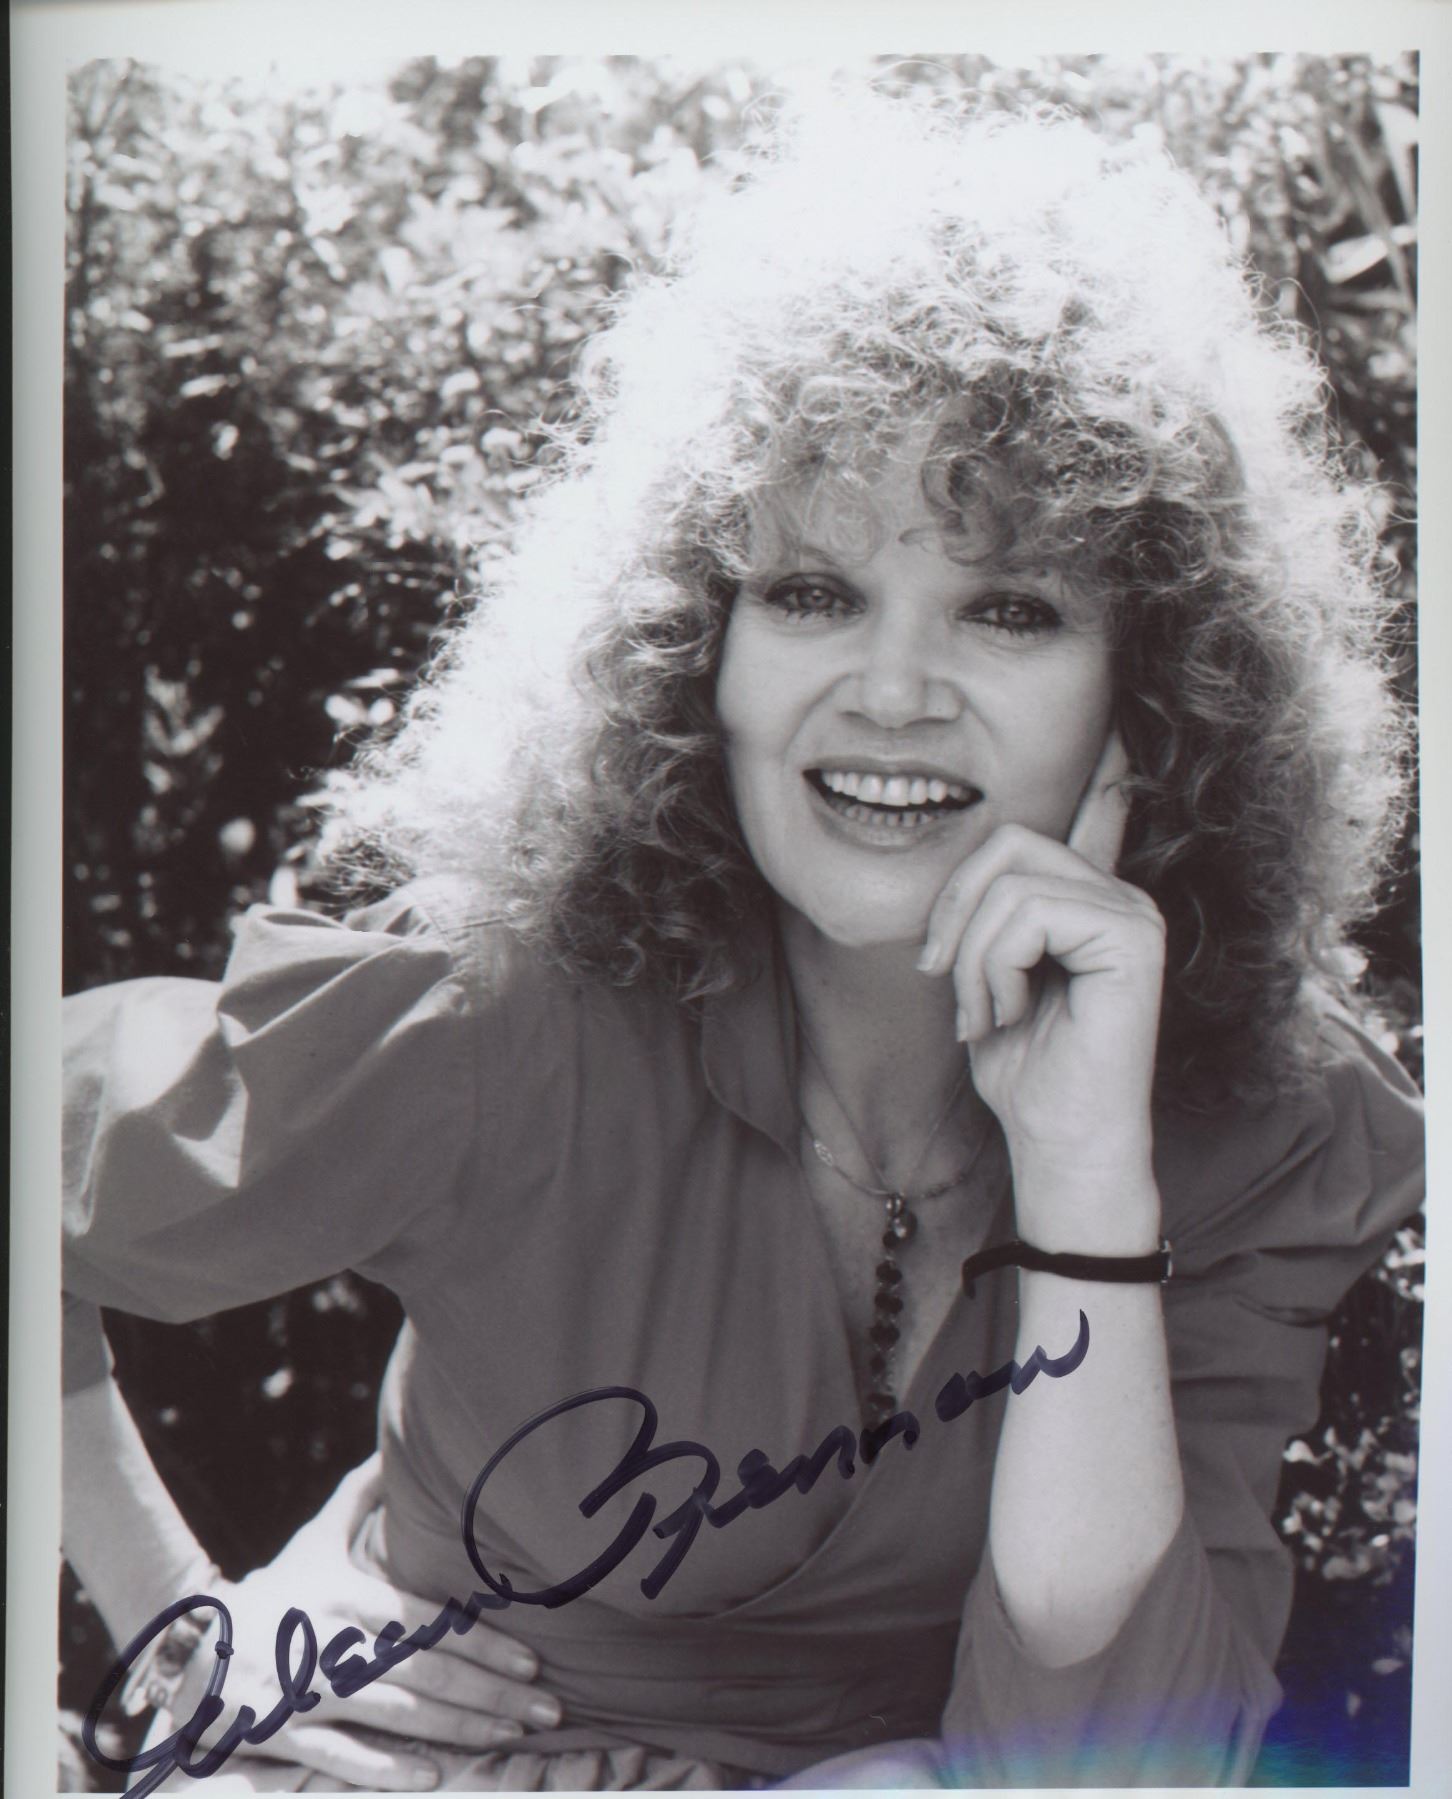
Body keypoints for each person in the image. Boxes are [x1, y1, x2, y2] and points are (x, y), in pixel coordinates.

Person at [62, 95, 1423, 1791]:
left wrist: (1086, 1182)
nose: (893, 691)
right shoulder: (500, 1012)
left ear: (1155, 697)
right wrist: (181, 1623)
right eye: (811, 593)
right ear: (700, 646)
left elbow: (1111, 1768)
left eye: (1011, 609)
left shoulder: (1273, 1125)